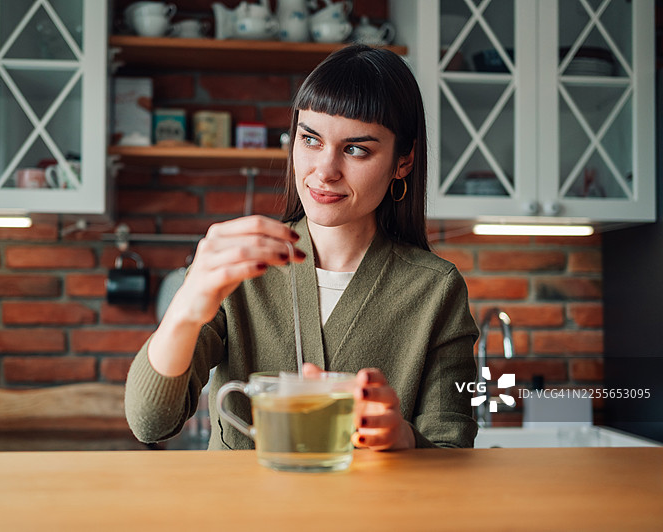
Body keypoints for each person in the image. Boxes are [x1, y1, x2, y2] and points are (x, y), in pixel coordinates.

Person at [125, 44, 479, 451]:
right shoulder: (237, 266)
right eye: (310, 140)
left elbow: (452, 450)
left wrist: (403, 438)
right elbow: (150, 423)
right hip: (241, 497)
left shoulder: (436, 289)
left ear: (404, 161)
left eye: (356, 149)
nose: (324, 171)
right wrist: (187, 306)